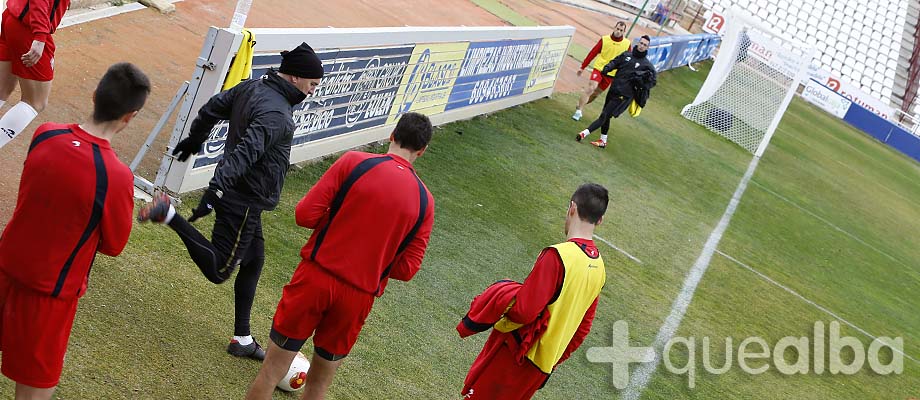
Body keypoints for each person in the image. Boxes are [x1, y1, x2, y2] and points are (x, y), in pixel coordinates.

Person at [136, 42, 324, 360]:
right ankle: (169, 215)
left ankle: (242, 338)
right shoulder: (278, 114)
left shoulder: (254, 87)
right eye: (312, 84)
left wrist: (196, 137)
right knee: (219, 270)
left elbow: (212, 108)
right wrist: (216, 189)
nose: (313, 91)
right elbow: (247, 152)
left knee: (253, 261)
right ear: (295, 78)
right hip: (243, 199)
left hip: (242, 194)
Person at [244, 112, 435, 400]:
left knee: (271, 372)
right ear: (422, 150)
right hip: (357, 298)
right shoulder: (425, 200)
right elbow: (408, 269)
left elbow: (304, 215)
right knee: (319, 386)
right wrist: (376, 256)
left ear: (392, 135)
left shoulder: (354, 162)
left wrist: (339, 227)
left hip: (314, 281)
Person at [0, 62, 149, 400]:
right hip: (50, 295)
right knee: (35, 387)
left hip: (5, 265)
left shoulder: (46, 133)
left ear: (94, 95)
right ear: (130, 116)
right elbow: (113, 245)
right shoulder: (117, 176)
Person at [458, 183, 608, 400]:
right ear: (600, 220)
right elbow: (583, 329)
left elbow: (524, 311)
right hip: (542, 366)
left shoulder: (558, 256)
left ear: (572, 208)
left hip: (516, 354)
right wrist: (553, 358)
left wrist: (502, 295)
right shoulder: (600, 268)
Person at [0, 0, 70, 150]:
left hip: (13, 17)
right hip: (29, 28)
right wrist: (39, 36)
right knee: (35, 102)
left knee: (2, 88)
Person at [576, 35, 657, 149]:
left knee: (604, 116)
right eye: (641, 43)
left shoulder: (647, 65)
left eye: (645, 45)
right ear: (638, 43)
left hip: (624, 95)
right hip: (613, 90)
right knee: (606, 115)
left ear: (647, 48)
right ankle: (603, 141)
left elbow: (652, 82)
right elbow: (615, 62)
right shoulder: (626, 55)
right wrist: (607, 68)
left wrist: (641, 83)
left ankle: (583, 134)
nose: (642, 46)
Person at [572, 20, 630, 121]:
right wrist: (583, 67)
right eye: (617, 29)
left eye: (621, 30)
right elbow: (593, 53)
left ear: (624, 32)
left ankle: (580, 105)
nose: (618, 31)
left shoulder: (627, 44)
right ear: (614, 28)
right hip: (599, 69)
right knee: (591, 88)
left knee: (595, 95)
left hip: (611, 74)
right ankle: (579, 111)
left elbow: (629, 60)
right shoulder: (604, 40)